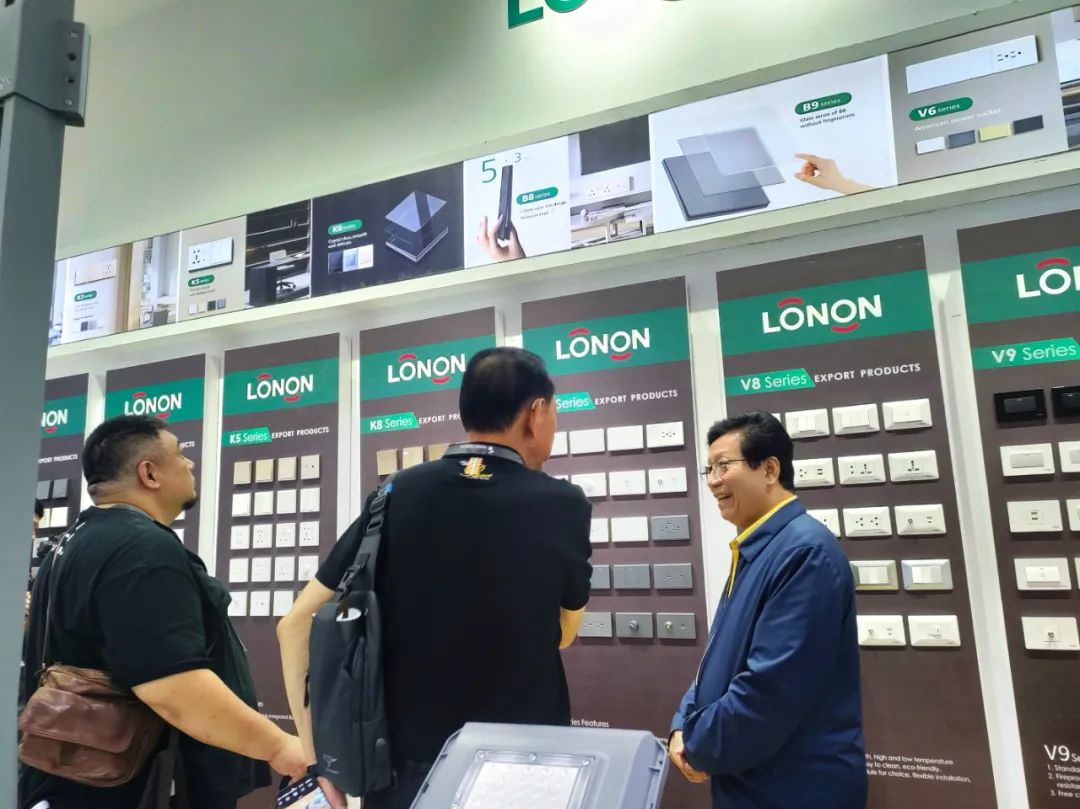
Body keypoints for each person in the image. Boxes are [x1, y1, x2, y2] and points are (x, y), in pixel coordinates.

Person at [278, 347, 593, 809]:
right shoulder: (563, 504)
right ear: (536, 413)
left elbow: (293, 626)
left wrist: (318, 762)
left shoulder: (392, 493)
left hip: (403, 777)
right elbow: (564, 633)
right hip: (520, 772)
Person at [20, 415, 307, 809]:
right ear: (149, 473)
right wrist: (278, 747)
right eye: (180, 453)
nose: (190, 463)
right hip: (140, 787)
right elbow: (172, 687)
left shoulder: (73, 542)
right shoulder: (141, 549)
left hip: (80, 779)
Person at [668, 411, 866, 809]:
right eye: (709, 469)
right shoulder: (758, 547)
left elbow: (770, 690)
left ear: (770, 470)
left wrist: (697, 742)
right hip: (752, 781)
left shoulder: (804, 552)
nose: (713, 481)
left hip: (793, 788)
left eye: (724, 465)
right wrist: (682, 724)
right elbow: (718, 663)